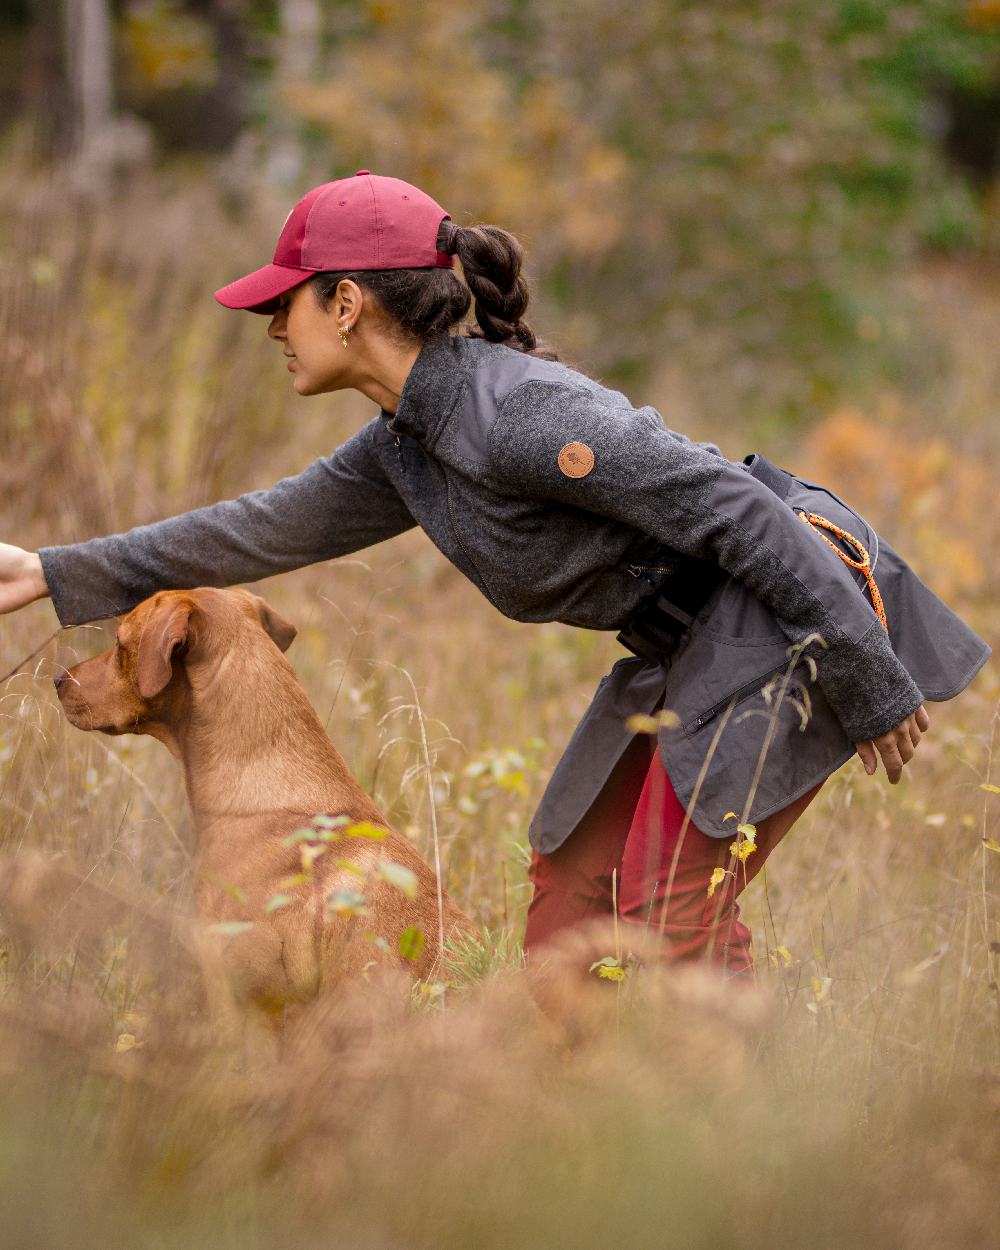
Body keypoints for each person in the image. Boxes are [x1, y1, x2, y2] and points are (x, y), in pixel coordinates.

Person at [0, 171, 989, 977]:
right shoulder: (405, 442)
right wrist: (47, 569)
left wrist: (868, 674)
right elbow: (252, 530)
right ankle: (575, 1122)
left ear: (345, 303)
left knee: (667, 909)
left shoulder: (521, 417)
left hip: (787, 613)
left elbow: (737, 508)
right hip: (689, 642)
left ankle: (731, 1131)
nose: (270, 328)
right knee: (570, 902)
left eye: (282, 302)